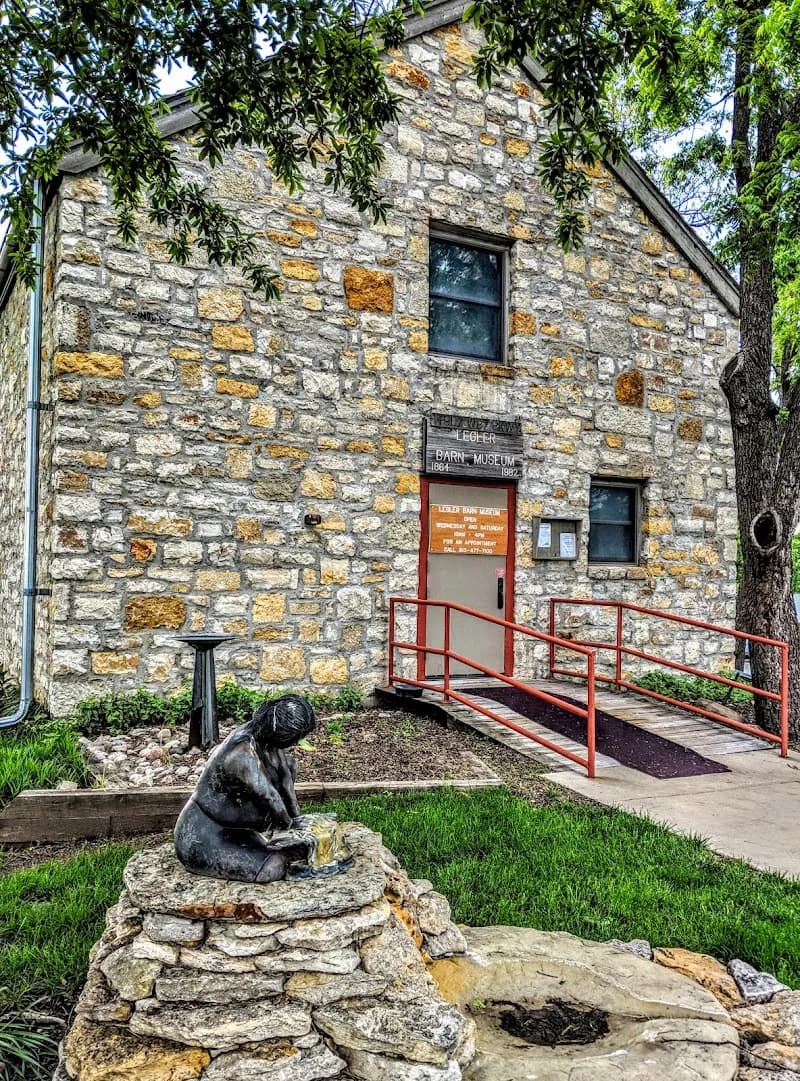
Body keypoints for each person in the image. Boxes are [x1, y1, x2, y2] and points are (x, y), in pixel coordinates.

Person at [174, 693, 316, 882]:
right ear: (278, 731)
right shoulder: (241, 754)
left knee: (300, 852)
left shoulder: (267, 739)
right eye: (294, 739)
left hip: (239, 832)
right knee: (274, 866)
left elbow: (285, 780)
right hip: (202, 836)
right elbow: (270, 797)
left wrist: (299, 824)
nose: (297, 743)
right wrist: (291, 829)